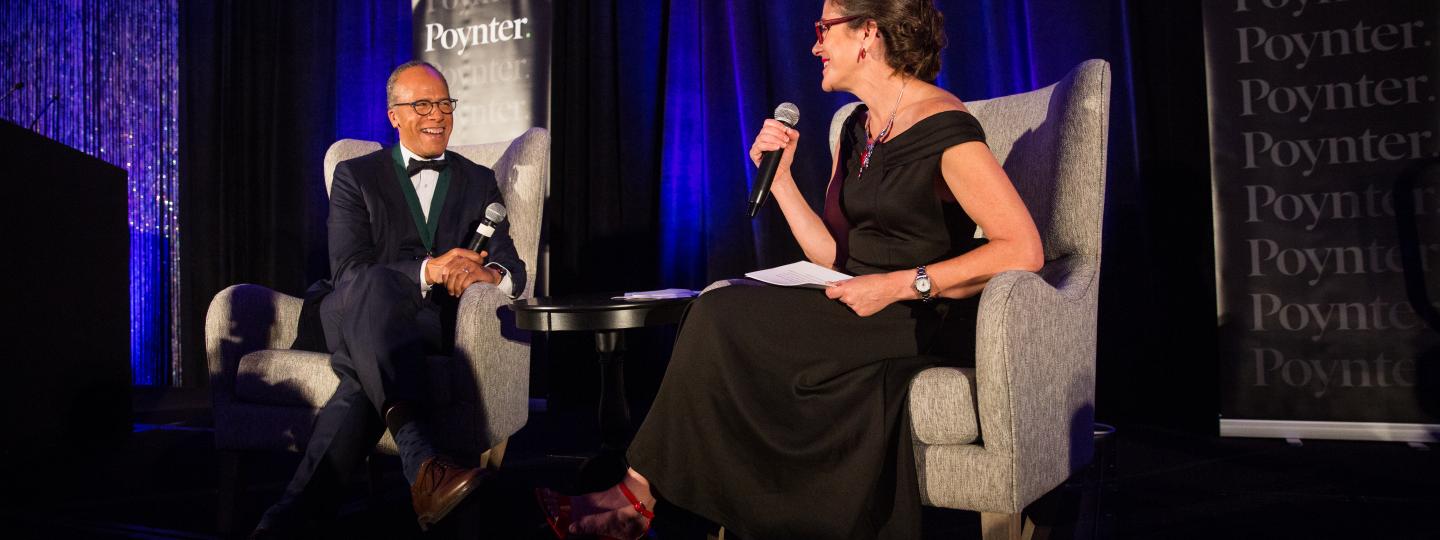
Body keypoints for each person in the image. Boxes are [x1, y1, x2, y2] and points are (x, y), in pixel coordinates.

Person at [537, 0, 1044, 538]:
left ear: (868, 31)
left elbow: (1023, 248)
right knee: (718, 299)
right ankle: (660, 499)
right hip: (852, 296)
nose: (815, 45)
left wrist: (901, 284)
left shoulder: (944, 125)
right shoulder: (856, 128)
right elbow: (833, 255)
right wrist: (780, 181)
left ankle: (634, 498)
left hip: (916, 311)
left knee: (720, 313)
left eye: (824, 29)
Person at [252, 60, 527, 537]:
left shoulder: (477, 180)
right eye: (421, 104)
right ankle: (424, 460)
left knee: (363, 379)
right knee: (374, 284)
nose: (436, 115)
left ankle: (289, 522)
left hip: (423, 326)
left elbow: (514, 269)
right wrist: (429, 269)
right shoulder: (355, 176)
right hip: (348, 307)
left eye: (444, 104)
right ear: (394, 116)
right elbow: (348, 271)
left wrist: (487, 274)